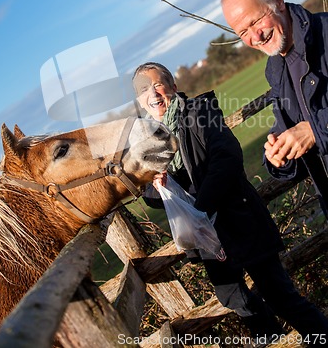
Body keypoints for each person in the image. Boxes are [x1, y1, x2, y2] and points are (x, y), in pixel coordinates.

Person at [132, 62, 328, 346]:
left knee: (280, 295)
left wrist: (199, 207)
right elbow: (151, 196)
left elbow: (227, 158)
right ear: (139, 101)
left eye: (157, 84)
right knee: (233, 297)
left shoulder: (199, 113)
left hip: (240, 220)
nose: (153, 93)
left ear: (173, 87)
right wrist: (158, 186)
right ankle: (274, 341)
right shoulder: (150, 143)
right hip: (209, 238)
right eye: (143, 90)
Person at [221, 0, 328, 218]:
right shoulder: (275, 69)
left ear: (277, 1)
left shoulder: (326, 33)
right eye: (243, 32)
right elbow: (290, 129)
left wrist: (314, 130)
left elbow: (311, 132)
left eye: (256, 21)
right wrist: (278, 155)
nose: (255, 37)